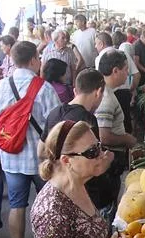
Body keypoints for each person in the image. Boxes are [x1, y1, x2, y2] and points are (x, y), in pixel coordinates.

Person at [0, 41, 61, 238]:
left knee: (17, 206)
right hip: (41, 160)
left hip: (11, 157)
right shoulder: (44, 88)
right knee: (48, 206)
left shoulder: (0, 86)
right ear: (33, 60)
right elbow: (56, 124)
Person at [38, 69, 107, 210]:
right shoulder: (87, 121)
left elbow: (40, 151)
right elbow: (96, 164)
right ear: (98, 92)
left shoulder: (54, 113)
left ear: (76, 90)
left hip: (58, 186)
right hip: (84, 193)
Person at [95, 51, 137, 217]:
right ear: (115, 71)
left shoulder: (107, 92)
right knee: (109, 207)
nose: (128, 73)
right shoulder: (105, 99)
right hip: (110, 160)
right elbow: (103, 135)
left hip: (111, 159)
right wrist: (127, 139)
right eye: (126, 69)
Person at [114, 32, 140, 133]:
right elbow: (137, 75)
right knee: (126, 117)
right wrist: (132, 90)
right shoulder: (125, 50)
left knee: (123, 118)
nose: (126, 71)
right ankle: (129, 137)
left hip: (122, 91)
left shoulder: (122, 51)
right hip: (124, 92)